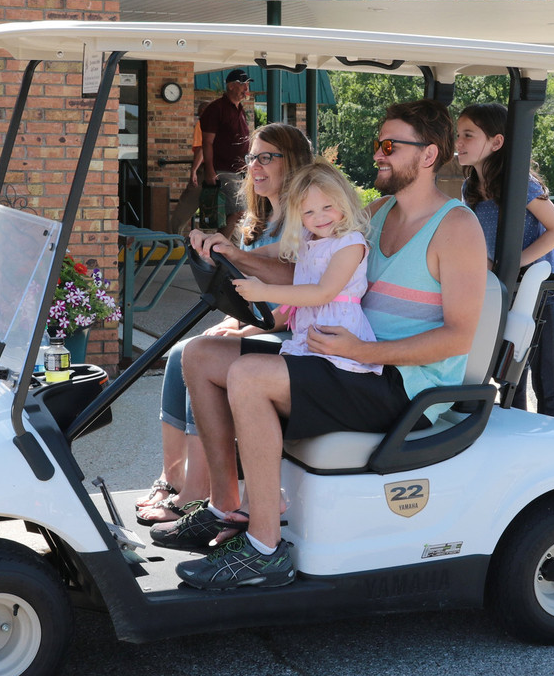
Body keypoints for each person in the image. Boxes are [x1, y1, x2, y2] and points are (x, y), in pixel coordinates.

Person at [161, 99, 487, 590]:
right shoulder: (374, 215)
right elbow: (307, 274)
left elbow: (458, 337)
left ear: (427, 156)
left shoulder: (457, 228)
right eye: (379, 144)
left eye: (389, 146)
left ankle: (265, 548)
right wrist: (237, 257)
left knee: (248, 377)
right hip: (342, 360)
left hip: (400, 385)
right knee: (201, 356)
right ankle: (225, 509)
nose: (378, 155)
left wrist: (364, 351)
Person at [134, 123, 313, 525]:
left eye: (267, 157)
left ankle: (201, 490)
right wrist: (232, 321)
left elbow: (293, 297)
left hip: (289, 332)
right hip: (267, 324)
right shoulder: (264, 219)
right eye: (252, 158)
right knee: (183, 351)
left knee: (200, 355)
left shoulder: (305, 220)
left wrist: (242, 330)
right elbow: (248, 290)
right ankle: (175, 476)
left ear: (294, 163)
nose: (255, 167)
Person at [455, 102, 554, 423]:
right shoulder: (470, 187)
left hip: (536, 292)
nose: (458, 142)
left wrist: (514, 263)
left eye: (468, 135)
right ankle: (518, 438)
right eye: (458, 134)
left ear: (496, 142)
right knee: (508, 374)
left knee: (545, 375)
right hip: (500, 290)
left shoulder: (521, 183)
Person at [233, 157, 382, 376]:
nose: (319, 217)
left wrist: (264, 292)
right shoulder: (305, 236)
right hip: (308, 333)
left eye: (327, 207)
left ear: (343, 202)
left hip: (335, 338)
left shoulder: (350, 242)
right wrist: (234, 257)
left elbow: (323, 293)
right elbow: (270, 251)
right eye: (308, 212)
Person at [200, 69, 253, 237]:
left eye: (247, 84)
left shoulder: (240, 110)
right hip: (223, 170)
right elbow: (207, 142)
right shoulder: (216, 109)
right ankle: (217, 250)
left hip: (241, 171)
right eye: (242, 84)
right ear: (230, 86)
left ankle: (230, 255)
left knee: (240, 215)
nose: (246, 88)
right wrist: (209, 170)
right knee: (238, 211)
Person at [167, 101, 207, 234]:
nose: (198, 115)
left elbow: (202, 148)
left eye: (199, 112)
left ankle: (174, 237)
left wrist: (194, 170)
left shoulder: (203, 123)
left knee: (187, 203)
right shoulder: (219, 125)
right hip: (220, 169)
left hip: (204, 170)